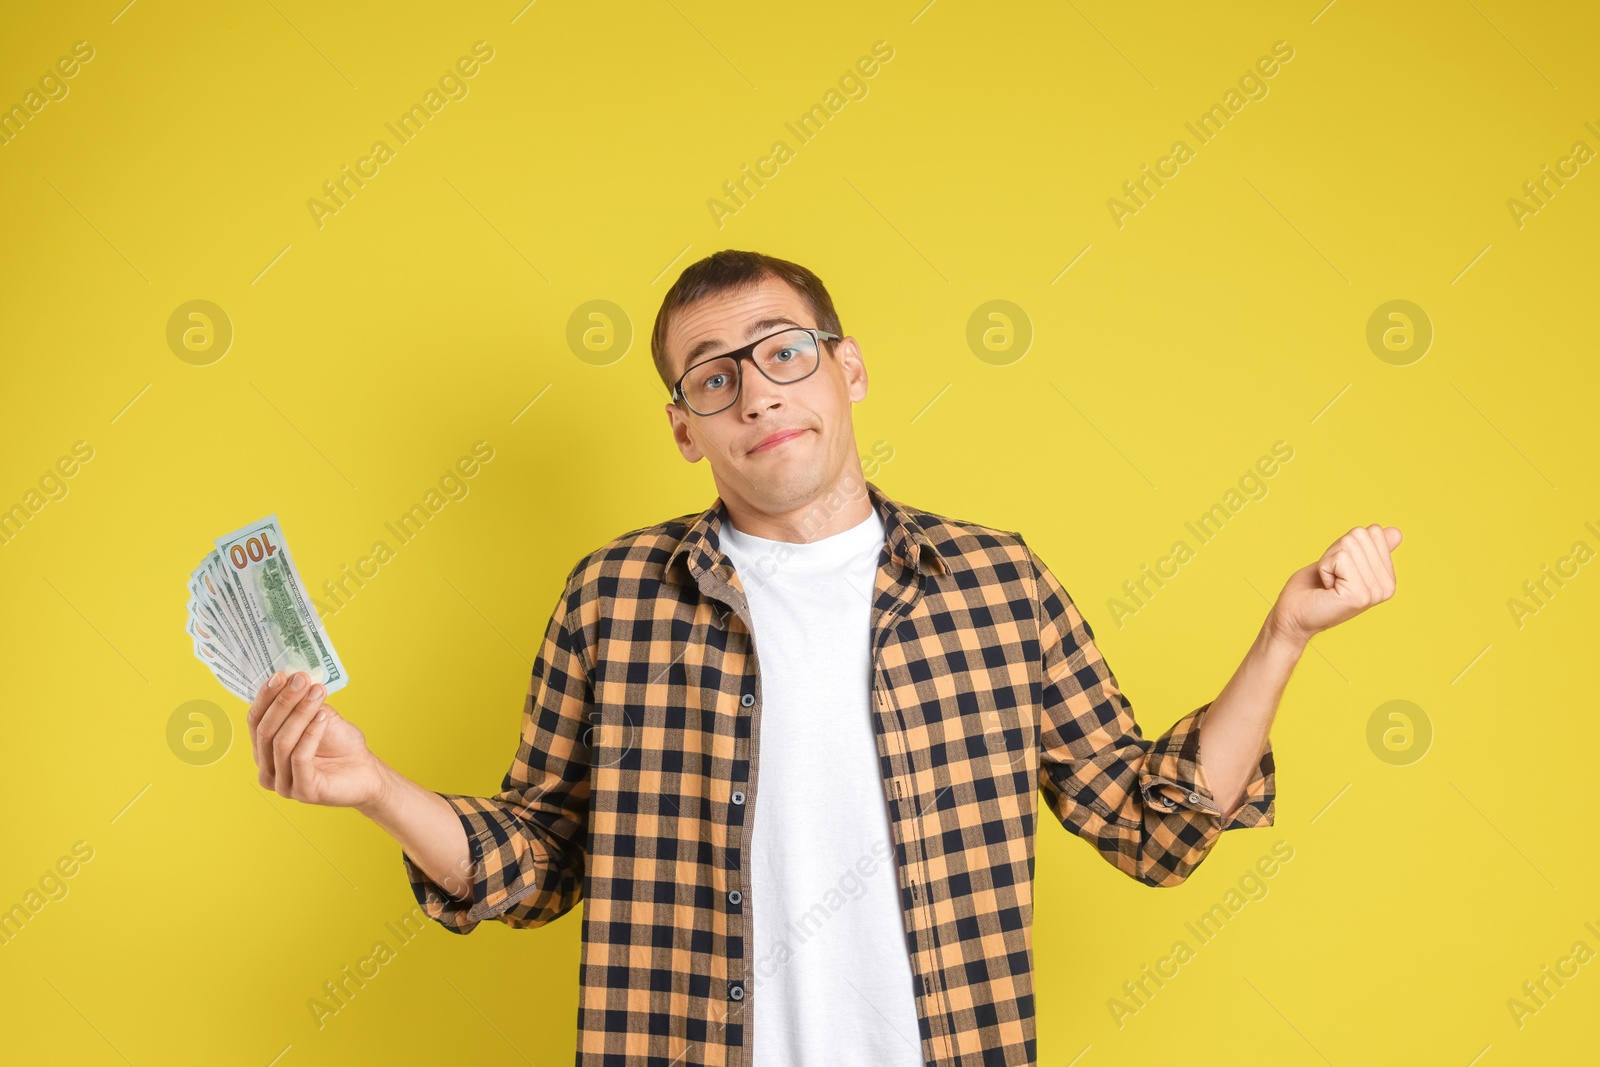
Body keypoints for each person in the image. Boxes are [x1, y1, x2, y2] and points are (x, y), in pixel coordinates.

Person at [247, 249, 1401, 1067]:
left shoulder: (995, 583)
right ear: (684, 426)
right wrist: (372, 787)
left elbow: (1154, 825)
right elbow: (538, 861)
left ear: (845, 369)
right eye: (714, 375)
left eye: (781, 351)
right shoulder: (612, 597)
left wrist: (1283, 634)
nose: (756, 390)